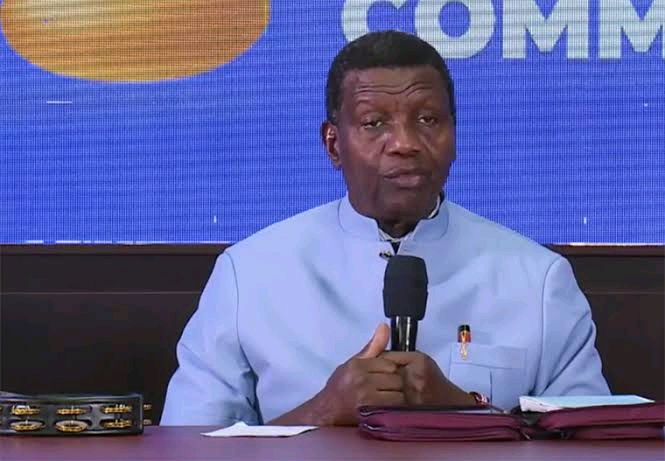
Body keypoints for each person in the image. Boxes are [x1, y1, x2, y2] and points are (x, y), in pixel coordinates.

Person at [161, 30, 609, 427]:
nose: (406, 144)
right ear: (333, 145)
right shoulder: (249, 274)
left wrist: (465, 410)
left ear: (455, 135)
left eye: (428, 120)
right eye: (374, 123)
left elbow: (592, 446)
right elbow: (188, 447)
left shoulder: (538, 279)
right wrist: (323, 411)